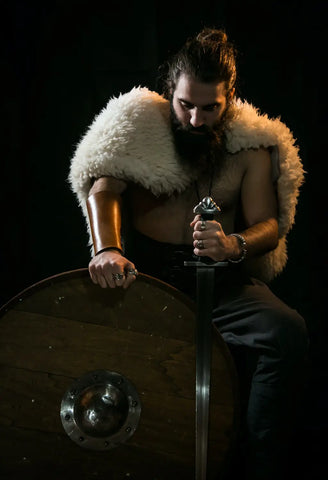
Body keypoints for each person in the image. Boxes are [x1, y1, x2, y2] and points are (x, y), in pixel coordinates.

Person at [69, 28, 308, 479]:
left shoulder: (252, 146)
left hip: (223, 284)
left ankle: (260, 463)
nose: (197, 120)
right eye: (186, 105)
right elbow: (104, 187)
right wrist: (109, 250)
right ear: (171, 92)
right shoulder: (138, 125)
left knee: (286, 331)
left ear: (230, 98)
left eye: (210, 108)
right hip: (148, 280)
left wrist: (233, 244)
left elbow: (270, 225)